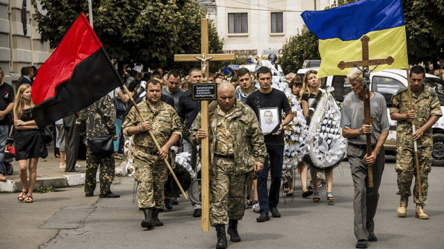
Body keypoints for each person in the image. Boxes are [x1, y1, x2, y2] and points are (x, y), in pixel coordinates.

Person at [190, 83, 266, 249]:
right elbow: (192, 133)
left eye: (230, 97)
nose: (226, 100)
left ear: (235, 95)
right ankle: (221, 234)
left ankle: (233, 226)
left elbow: (257, 136)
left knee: (237, 200)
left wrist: (259, 158)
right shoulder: (207, 112)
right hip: (218, 162)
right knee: (219, 199)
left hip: (240, 162)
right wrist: (198, 135)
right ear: (217, 96)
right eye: (222, 97)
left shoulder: (245, 111)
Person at [122, 79, 181, 229]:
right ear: (146, 92)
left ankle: (155, 214)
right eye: (151, 91)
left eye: (157, 91)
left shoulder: (168, 109)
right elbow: (125, 129)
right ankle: (147, 216)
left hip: (161, 156)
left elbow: (178, 131)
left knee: (158, 185)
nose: (154, 94)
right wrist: (139, 128)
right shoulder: (137, 108)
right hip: (142, 154)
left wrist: (167, 147)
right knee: (145, 182)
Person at [340, 68, 389, 248]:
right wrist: (359, 131)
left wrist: (375, 153)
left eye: (354, 84)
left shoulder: (379, 100)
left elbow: (385, 128)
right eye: (351, 84)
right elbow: (345, 131)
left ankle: (369, 225)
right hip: (355, 151)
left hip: (375, 151)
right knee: (360, 191)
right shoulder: (348, 100)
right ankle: (361, 235)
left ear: (364, 83)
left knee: (372, 192)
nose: (352, 87)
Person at [390, 65, 442, 220]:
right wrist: (405, 115)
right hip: (405, 140)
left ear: (423, 79)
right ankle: (403, 200)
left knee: (422, 174)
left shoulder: (430, 94)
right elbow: (393, 114)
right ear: (409, 78)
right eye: (413, 79)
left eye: (419, 80)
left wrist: (422, 129)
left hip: (424, 141)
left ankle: (420, 205)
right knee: (404, 171)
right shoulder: (402, 94)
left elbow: (436, 113)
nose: (416, 83)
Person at [245, 66, 293, 222]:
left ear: (271, 78)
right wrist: (255, 130)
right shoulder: (252, 98)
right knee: (262, 175)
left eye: (268, 78)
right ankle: (264, 209)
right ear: (257, 79)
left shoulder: (279, 95)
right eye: (262, 79)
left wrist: (282, 124)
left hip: (277, 141)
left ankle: (273, 205)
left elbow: (289, 114)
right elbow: (247, 119)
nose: (265, 81)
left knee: (277, 175)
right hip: (260, 143)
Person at [76, 95, 120, 198]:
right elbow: (110, 118)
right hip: (105, 138)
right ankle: (105, 190)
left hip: (91, 138)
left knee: (91, 165)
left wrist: (85, 134)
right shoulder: (105, 98)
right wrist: (113, 132)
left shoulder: (87, 100)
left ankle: (88, 190)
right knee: (107, 165)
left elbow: (79, 122)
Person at [301, 69, 334, 203]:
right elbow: (306, 115)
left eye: (315, 77)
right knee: (314, 163)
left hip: (326, 131)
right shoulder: (305, 96)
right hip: (313, 132)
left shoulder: (326, 93)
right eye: (311, 78)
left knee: (328, 162)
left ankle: (329, 191)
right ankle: (315, 190)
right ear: (307, 81)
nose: (314, 79)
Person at [14, 84, 48, 203]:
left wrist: (24, 123)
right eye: (27, 92)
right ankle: (24, 188)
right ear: (21, 94)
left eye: (30, 92)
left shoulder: (36, 106)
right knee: (22, 168)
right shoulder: (17, 107)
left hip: (35, 139)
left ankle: (29, 194)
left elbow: (40, 124)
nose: (29, 94)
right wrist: (31, 125)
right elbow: (16, 126)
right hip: (21, 140)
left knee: (32, 168)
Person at [178, 67, 204, 217]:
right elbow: (180, 117)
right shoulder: (184, 97)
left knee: (206, 169)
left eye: (200, 76)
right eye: (195, 77)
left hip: (208, 138)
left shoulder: (210, 94)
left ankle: (208, 199)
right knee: (193, 170)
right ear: (189, 78)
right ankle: (197, 203)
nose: (197, 79)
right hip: (190, 139)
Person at [287, 76, 312, 197]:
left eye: (299, 86)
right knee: (290, 162)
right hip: (290, 133)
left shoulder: (304, 99)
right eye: (295, 86)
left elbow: (306, 115)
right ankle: (290, 187)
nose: (297, 89)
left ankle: (304, 188)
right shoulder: (286, 98)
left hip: (301, 133)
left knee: (302, 162)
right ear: (291, 87)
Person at [0, 67, 14, 182]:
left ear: (2, 75)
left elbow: (12, 103)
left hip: (4, 123)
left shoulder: (8, 88)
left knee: (1, 148)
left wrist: (4, 113)